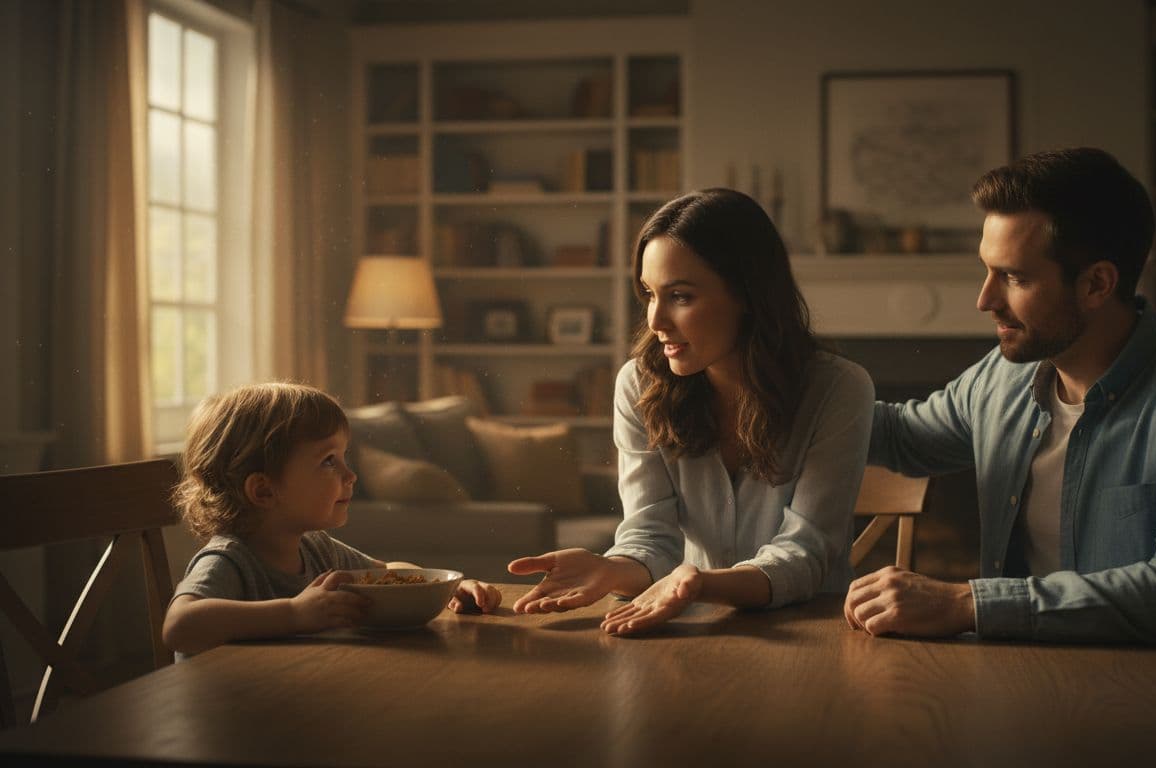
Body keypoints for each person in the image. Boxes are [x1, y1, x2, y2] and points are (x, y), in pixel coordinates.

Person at [843, 147, 1156, 745]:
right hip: (1032, 696)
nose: (985, 300)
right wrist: (767, 387)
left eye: (1015, 277)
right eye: (987, 269)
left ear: (1097, 284)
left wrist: (967, 605)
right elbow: (901, 436)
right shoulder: (1001, 377)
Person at [508, 188, 874, 635]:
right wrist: (610, 569)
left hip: (814, 635)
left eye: (680, 296)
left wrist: (699, 584)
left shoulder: (838, 389)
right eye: (648, 294)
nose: (656, 321)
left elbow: (805, 554)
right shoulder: (639, 384)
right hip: (694, 628)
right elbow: (651, 537)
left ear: (747, 293)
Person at [163, 382, 501, 655]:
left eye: (343, 457)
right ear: (264, 491)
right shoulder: (229, 560)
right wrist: (293, 614)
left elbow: (385, 573)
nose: (350, 475)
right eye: (328, 461)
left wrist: (446, 587)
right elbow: (179, 626)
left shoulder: (315, 548)